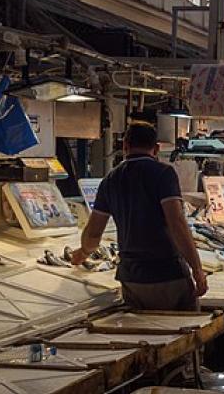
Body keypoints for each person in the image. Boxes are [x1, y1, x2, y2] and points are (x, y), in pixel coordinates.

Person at [71, 122, 207, 310]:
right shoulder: (164, 174)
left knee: (141, 333)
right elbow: (176, 223)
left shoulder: (110, 180)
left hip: (131, 279)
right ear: (156, 148)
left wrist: (83, 252)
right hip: (167, 274)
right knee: (182, 331)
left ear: (125, 146)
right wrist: (197, 269)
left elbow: (94, 233)